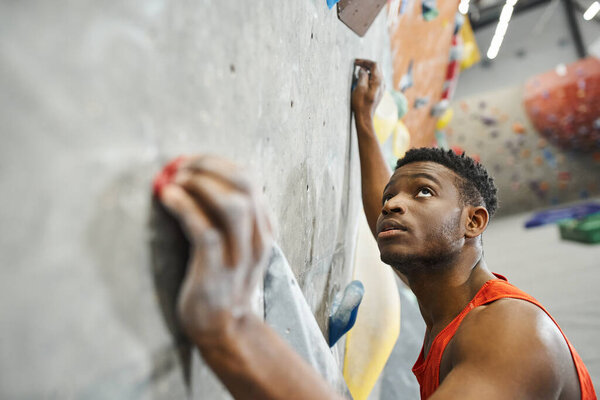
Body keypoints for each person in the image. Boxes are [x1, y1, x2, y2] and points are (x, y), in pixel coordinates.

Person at [156, 59, 596, 399]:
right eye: (392, 197)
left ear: (473, 221)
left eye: (423, 192)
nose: (394, 206)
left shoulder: (510, 333)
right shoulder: (445, 285)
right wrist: (365, 122)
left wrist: (229, 323)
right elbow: (382, 213)